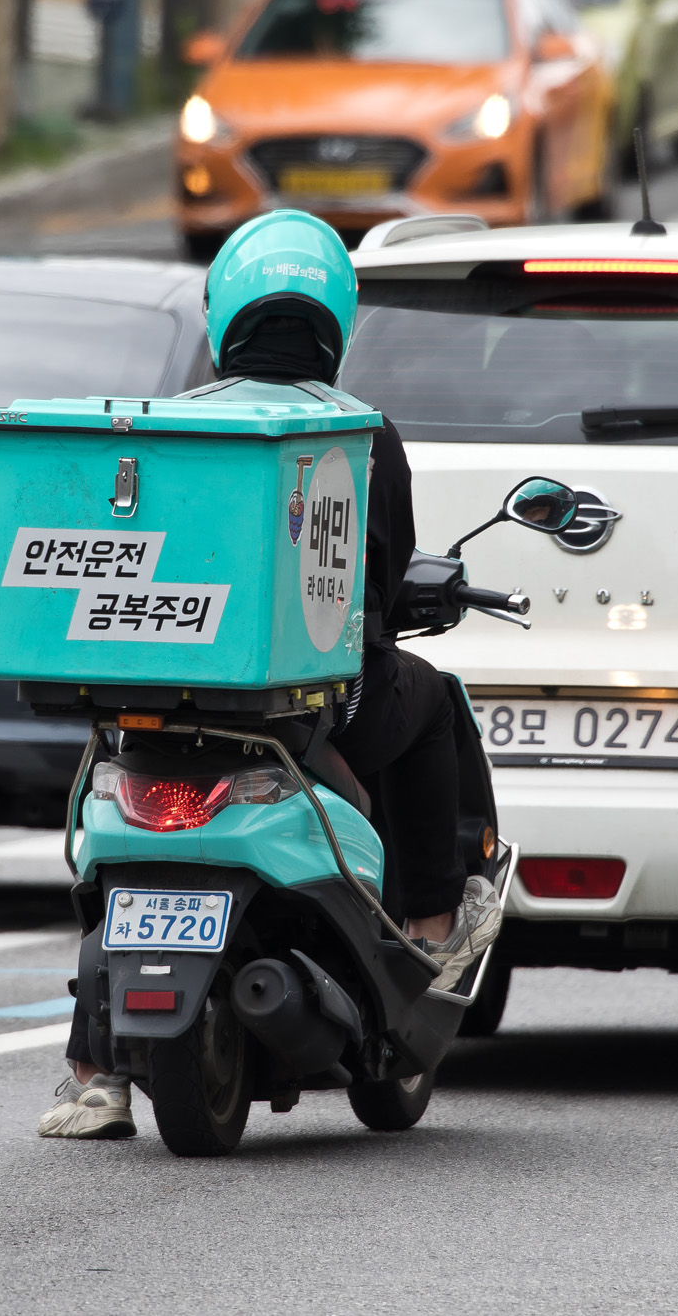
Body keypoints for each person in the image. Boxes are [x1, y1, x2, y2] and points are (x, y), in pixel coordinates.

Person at [37, 211, 501, 1139]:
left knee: (105, 807)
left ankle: (92, 1066)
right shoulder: (366, 434)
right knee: (434, 697)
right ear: (335, 319)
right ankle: (433, 920)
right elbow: (377, 580)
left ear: (225, 315)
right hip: (322, 715)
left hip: (159, 708)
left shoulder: (176, 426)